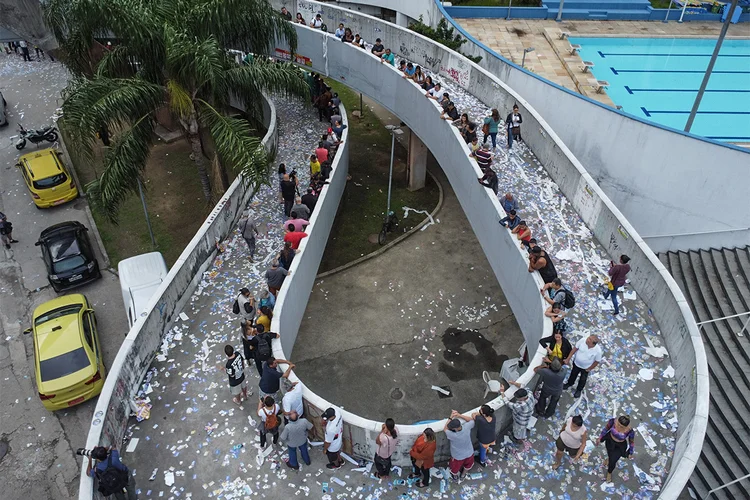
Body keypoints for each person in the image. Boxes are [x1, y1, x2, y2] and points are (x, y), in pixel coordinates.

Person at [597, 415, 635, 483]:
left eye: (622, 427)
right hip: (610, 440)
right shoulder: (612, 421)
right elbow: (606, 429)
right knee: (610, 453)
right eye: (618, 424)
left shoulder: (630, 431)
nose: (619, 427)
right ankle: (608, 458)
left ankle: (609, 472)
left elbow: (631, 441)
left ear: (626, 426)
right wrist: (600, 437)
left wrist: (631, 452)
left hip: (620, 446)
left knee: (613, 461)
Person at [444, 410, 474, 482]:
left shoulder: (453, 435)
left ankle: (455, 476)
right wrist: (459, 415)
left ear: (455, 429)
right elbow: (472, 420)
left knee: (455, 468)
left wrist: (451, 417)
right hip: (469, 452)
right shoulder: (467, 427)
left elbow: (445, 428)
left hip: (458, 456)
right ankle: (463, 475)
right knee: (467, 466)